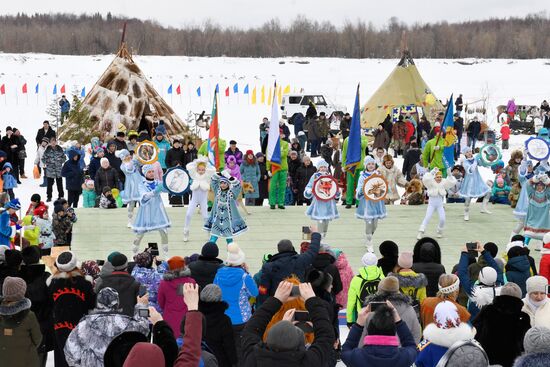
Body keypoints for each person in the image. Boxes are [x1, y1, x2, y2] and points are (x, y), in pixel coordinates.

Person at [241, 281, 334, 367]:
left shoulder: (254, 359)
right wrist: (312, 301)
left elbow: (251, 329)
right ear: (300, 344)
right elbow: (326, 335)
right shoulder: (308, 362)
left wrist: (276, 300)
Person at [64, 287, 150, 367]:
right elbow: (144, 328)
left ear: (98, 303)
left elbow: (70, 353)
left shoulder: (83, 326)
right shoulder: (127, 323)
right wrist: (142, 306)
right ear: (117, 303)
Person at [48, 251, 95, 367]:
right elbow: (91, 305)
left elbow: (49, 305)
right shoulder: (85, 283)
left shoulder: (52, 284)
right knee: (77, 358)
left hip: (58, 326)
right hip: (79, 326)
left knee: (61, 356)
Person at [214, 243, 258, 360]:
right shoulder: (244, 276)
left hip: (224, 316)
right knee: (241, 347)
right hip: (241, 318)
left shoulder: (219, 274)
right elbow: (255, 293)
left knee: (226, 347)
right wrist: (248, 273)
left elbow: (214, 292)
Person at [342, 301, 417, 367]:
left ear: (370, 330)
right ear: (393, 331)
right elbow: (411, 345)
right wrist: (398, 320)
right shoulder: (403, 358)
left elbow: (346, 349)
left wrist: (359, 324)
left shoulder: (357, 357)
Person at [472, 282, 531, 367]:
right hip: (511, 361)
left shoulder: (487, 310)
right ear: (519, 297)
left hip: (486, 359)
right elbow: (525, 344)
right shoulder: (523, 318)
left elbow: (474, 332)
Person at [258, 230, 320, 303]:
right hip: (297, 301)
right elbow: (313, 250)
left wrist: (267, 305)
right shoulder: (301, 260)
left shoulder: (268, 266)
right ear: (292, 248)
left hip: (278, 302)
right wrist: (315, 233)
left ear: (278, 250)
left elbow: (263, 289)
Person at [358, 276, 422, 344]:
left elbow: (361, 336)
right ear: (397, 290)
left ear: (379, 290)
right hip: (401, 352)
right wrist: (408, 351)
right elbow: (417, 333)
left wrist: (364, 353)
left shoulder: (369, 310)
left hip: (373, 352)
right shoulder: (409, 309)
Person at [415, 301, 477, 367]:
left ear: (435, 318)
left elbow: (414, 362)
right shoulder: (471, 343)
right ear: (457, 316)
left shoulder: (424, 346)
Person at [0, 276, 42, 367]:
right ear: (22, 293)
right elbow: (37, 339)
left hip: (4, 360)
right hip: (26, 360)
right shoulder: (29, 315)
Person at [132, 164, 171, 258]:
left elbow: (167, 189)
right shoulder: (141, 184)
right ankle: (133, 254)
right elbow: (144, 197)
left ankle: (166, 254)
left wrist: (172, 184)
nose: (151, 173)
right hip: (146, 212)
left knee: (164, 232)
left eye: (152, 171)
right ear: (145, 173)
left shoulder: (158, 182)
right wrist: (154, 192)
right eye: (149, 172)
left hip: (158, 211)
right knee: (139, 235)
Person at [199, 284, 238, 367]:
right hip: (220, 360)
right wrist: (234, 362)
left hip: (200, 359)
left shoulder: (196, 317)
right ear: (219, 298)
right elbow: (229, 345)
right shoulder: (224, 320)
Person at [158, 256, 196, 338]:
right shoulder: (191, 282)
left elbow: (161, 303)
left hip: (169, 319)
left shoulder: (164, 283)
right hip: (187, 319)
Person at [95, 252, 141, 316]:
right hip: (128, 320)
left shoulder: (102, 282)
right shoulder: (135, 284)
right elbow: (140, 305)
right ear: (126, 266)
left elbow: (97, 302)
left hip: (107, 320)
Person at [356, 156, 387, 251]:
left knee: (375, 225)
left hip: (377, 203)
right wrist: (362, 189)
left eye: (372, 164)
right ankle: (369, 242)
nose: (371, 165)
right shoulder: (363, 176)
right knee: (369, 223)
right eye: (369, 164)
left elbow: (383, 185)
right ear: (366, 165)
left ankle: (368, 236)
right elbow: (359, 188)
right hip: (367, 203)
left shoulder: (378, 174)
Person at [346, 252, 385, 325]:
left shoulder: (356, 279)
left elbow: (351, 302)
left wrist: (349, 320)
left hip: (363, 315)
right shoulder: (382, 278)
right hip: (380, 315)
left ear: (363, 263)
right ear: (376, 262)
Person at [304, 159, 339, 238]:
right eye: (321, 167)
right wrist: (308, 191)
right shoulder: (315, 176)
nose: (323, 168)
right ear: (318, 168)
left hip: (329, 203)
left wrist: (337, 192)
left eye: (324, 167)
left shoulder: (329, 176)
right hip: (318, 203)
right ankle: (319, 241)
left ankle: (323, 238)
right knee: (320, 221)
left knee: (326, 223)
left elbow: (333, 188)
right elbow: (309, 186)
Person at [417, 168, 456, 239]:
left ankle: (439, 231)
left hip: (440, 205)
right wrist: (432, 172)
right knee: (427, 217)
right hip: (431, 205)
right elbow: (425, 179)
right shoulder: (430, 182)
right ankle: (420, 232)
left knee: (442, 219)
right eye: (437, 177)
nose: (439, 178)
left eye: (440, 177)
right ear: (434, 177)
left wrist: (450, 174)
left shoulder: (443, 182)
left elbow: (451, 182)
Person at [183, 157, 216, 242]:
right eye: (199, 169)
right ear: (197, 169)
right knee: (188, 214)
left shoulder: (207, 176)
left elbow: (213, 169)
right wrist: (196, 162)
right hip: (194, 200)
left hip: (203, 200)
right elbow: (188, 166)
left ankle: (209, 233)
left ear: (205, 170)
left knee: (205, 217)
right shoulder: (194, 175)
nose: (201, 171)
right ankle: (186, 231)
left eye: (203, 170)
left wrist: (206, 163)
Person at [459, 146, 492, 221]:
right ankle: (466, 213)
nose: (469, 153)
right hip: (469, 182)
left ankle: (483, 207)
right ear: (465, 154)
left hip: (478, 180)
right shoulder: (465, 161)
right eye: (467, 152)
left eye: (470, 151)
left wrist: (484, 158)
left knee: (489, 191)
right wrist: (475, 162)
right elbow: (470, 170)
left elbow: (483, 164)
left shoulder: (475, 159)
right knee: (468, 198)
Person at [341, 133, 369, 208]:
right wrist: (343, 165)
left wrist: (358, 139)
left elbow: (363, 146)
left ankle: (358, 201)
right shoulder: (347, 139)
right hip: (350, 166)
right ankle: (349, 202)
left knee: (359, 185)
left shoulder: (363, 138)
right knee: (350, 184)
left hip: (360, 165)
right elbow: (344, 152)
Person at [117, 149, 143, 227]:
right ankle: (130, 221)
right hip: (131, 186)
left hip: (139, 184)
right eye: (127, 156)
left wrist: (142, 157)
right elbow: (129, 169)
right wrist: (134, 160)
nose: (129, 156)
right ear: (123, 157)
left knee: (142, 202)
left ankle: (143, 220)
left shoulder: (134, 161)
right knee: (131, 204)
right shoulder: (122, 166)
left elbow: (142, 163)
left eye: (129, 155)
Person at [523, 174, 550, 245]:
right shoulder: (532, 194)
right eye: (538, 185)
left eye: (541, 185)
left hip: (544, 221)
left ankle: (546, 252)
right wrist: (536, 178)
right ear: (535, 186)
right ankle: (523, 248)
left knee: (546, 238)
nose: (539, 187)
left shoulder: (547, 195)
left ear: (544, 186)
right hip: (532, 219)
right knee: (528, 235)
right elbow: (527, 184)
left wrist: (546, 180)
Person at [267, 130, 290, 209]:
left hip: (283, 168)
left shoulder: (285, 144)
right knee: (272, 186)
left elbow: (285, 154)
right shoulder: (270, 145)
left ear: (282, 135)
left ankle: (281, 203)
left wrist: (276, 154)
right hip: (274, 168)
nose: (278, 135)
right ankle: (272, 203)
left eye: (280, 134)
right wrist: (268, 169)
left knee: (282, 186)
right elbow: (268, 157)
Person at [42, 137, 66, 202]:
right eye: (52, 141)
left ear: (56, 142)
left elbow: (64, 157)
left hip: (58, 170)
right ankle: (49, 197)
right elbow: (43, 158)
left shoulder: (59, 149)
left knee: (60, 184)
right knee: (49, 185)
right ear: (50, 142)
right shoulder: (47, 150)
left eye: (54, 141)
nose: (53, 143)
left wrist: (60, 161)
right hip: (50, 170)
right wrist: (48, 163)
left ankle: (61, 196)